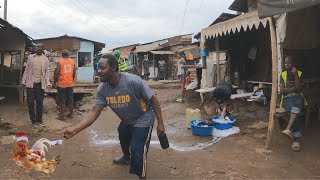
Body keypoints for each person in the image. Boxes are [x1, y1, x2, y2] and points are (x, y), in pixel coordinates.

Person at [59, 54, 166, 179]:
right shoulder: (102, 89)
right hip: (127, 120)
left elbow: (153, 99)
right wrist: (75, 129)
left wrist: (160, 123)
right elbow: (94, 112)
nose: (98, 71)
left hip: (143, 118)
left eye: (102, 68)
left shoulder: (132, 81)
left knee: (138, 150)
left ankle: (142, 177)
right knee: (122, 133)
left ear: (114, 68)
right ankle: (126, 158)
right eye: (98, 68)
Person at [280, 56, 306, 151]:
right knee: (296, 112)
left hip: (298, 97)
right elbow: (282, 91)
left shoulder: (299, 73)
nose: (286, 64)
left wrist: (295, 75)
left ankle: (288, 128)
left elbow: (299, 89)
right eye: (285, 62)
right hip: (287, 98)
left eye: (288, 62)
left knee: (296, 108)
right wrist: (294, 89)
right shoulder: (282, 74)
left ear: (293, 63)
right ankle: (296, 139)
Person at [21, 44, 51, 127]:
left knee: (39, 103)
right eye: (36, 47)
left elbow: (47, 72)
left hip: (40, 85)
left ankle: (39, 120)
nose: (37, 48)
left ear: (42, 49)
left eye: (39, 47)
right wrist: (23, 81)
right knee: (30, 102)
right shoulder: (31, 57)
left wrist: (47, 82)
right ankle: (33, 120)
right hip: (31, 84)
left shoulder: (45, 59)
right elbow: (26, 70)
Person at [54, 49, 76, 120]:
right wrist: (71, 80)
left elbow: (57, 73)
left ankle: (62, 116)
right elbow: (74, 73)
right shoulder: (72, 62)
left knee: (62, 100)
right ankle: (71, 114)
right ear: (68, 54)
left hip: (62, 84)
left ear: (62, 55)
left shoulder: (60, 62)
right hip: (70, 84)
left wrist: (55, 82)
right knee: (70, 99)